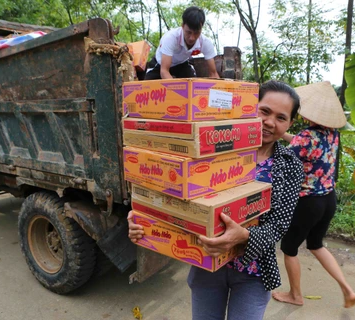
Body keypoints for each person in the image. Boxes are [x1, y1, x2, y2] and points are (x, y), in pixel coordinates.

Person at [128, 80, 304, 319]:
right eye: (264, 111)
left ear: (290, 123)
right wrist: (144, 214)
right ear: (249, 106)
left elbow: (279, 226)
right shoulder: (215, 144)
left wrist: (245, 236)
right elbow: (173, 190)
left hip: (253, 270)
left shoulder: (290, 165)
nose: (270, 122)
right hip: (206, 264)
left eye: (281, 118)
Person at [272, 81, 355, 308]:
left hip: (308, 202)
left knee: (289, 248)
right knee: (316, 244)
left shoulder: (306, 136)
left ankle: (296, 295)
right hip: (328, 199)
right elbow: (302, 143)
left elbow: (284, 158)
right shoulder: (332, 134)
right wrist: (284, 134)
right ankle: (347, 289)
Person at [144, 6, 220, 80]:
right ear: (183, 26)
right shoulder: (170, 38)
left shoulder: (205, 42)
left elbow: (213, 74)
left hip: (181, 64)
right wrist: (176, 90)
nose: (192, 38)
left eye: (196, 33)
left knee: (193, 85)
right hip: (160, 65)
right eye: (189, 32)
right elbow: (164, 71)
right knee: (147, 88)